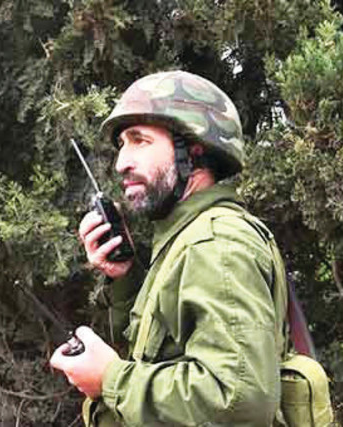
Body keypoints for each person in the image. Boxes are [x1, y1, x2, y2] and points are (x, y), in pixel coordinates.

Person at [50, 70, 289, 426]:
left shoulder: (216, 243)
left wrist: (111, 380)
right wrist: (126, 277)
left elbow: (238, 400)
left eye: (139, 140)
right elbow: (166, 353)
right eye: (122, 145)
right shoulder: (187, 239)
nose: (121, 162)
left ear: (192, 152)